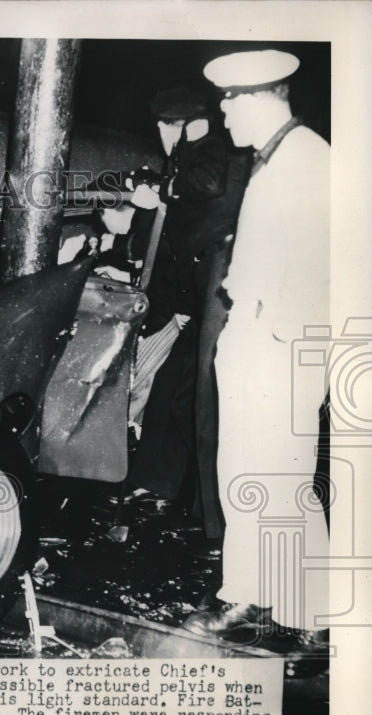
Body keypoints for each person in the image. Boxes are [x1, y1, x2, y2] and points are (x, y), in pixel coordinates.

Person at [183, 50, 330, 649]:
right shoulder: (276, 159)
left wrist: (276, 333)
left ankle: (303, 613)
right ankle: (259, 594)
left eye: (230, 101)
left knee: (275, 473)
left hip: (280, 343)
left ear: (262, 97)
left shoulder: (308, 158)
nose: (223, 113)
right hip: (256, 335)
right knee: (251, 471)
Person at [123, 87, 249, 536]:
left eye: (164, 127)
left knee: (202, 396)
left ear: (175, 125)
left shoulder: (208, 146)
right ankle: (163, 486)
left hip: (218, 277)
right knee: (175, 390)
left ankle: (214, 521)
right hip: (200, 284)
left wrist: (163, 189)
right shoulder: (192, 153)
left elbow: (210, 184)